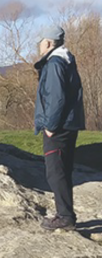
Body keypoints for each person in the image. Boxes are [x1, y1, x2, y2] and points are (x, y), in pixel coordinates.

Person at [34, 25, 85, 231]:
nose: (38, 46)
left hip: (59, 127)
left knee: (55, 172)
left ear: (47, 42)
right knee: (63, 169)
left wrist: (50, 126)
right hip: (69, 124)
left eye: (40, 42)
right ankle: (66, 214)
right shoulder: (66, 60)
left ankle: (64, 217)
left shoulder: (55, 63)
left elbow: (56, 97)